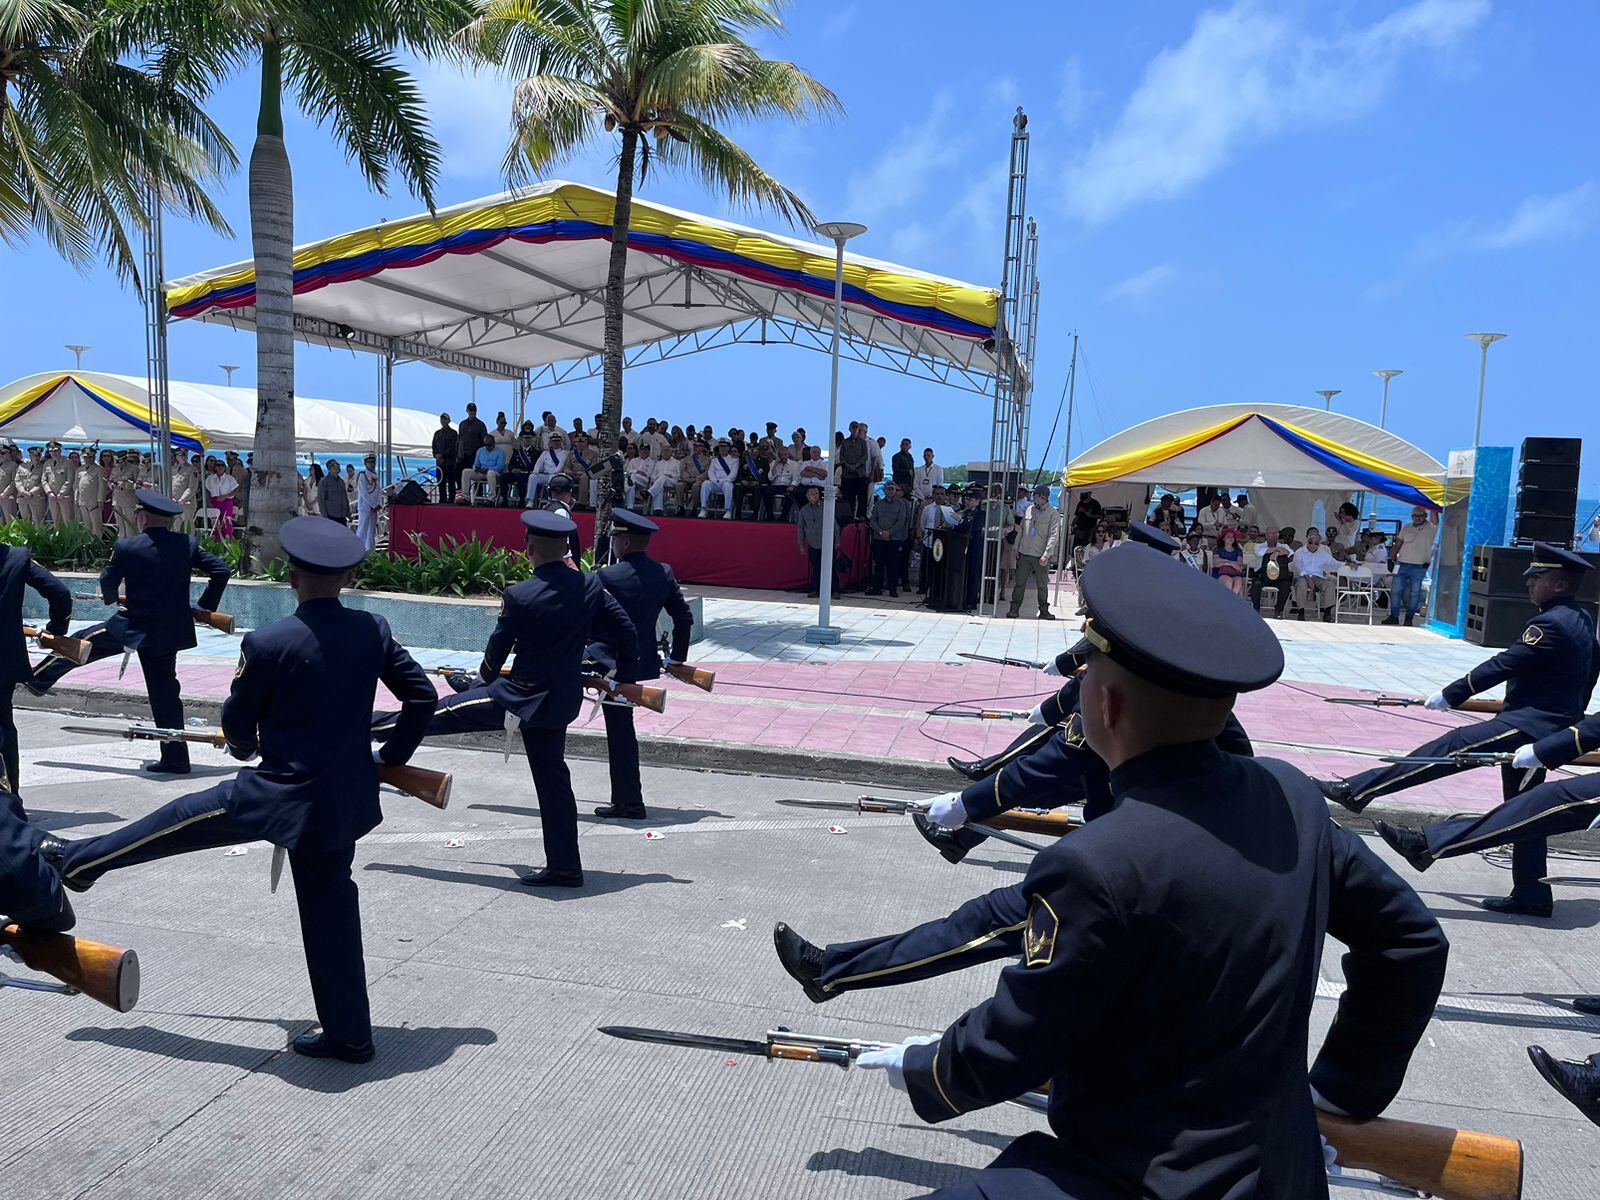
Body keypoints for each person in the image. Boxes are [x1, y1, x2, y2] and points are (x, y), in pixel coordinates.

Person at [777, 544, 1448, 1200]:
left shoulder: (1094, 865)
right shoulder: (1291, 797)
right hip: (1285, 1169)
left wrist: (928, 1067)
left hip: (1137, 1176)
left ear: (1108, 707)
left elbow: (1014, 1048)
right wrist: (1337, 1091)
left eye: (1087, 678)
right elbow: (1410, 942)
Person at [42, 517, 435, 1063]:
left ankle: (81, 864)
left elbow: (238, 728)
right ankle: (350, 1035)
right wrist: (388, 760)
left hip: (279, 794)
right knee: (331, 914)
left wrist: (245, 744)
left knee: (178, 818)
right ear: (346, 576)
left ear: (294, 577)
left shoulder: (269, 641)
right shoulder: (375, 629)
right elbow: (421, 699)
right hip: (341, 801)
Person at [1321, 543, 1598, 915]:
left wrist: (1452, 693)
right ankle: (1531, 894)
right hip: (1552, 724)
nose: (1529, 584)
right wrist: (1570, 717)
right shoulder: (1581, 619)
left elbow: (1505, 664)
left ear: (1560, 583)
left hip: (1529, 724)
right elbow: (1590, 674)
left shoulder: (1547, 624)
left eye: (1537, 578)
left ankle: (1357, 790)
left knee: (1452, 748)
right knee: (1523, 811)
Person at [381, 511, 635, 887]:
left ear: (530, 549)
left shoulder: (520, 594)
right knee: (554, 784)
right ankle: (565, 866)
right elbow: (626, 633)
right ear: (565, 549)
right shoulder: (590, 586)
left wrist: (474, 683)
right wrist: (599, 668)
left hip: (518, 699)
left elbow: (496, 653)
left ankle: (358, 730)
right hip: (558, 704)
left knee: (431, 715)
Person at [28, 489, 230, 773]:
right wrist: (204, 608)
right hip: (168, 631)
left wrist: (113, 597)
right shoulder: (187, 543)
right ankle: (176, 758)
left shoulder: (128, 546)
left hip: (134, 625)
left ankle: (35, 681)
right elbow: (221, 571)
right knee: (165, 694)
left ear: (143, 517)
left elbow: (107, 581)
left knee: (79, 643)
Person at [587, 510, 694, 820]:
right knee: (622, 730)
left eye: (616, 539)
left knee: (620, 732)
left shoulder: (606, 576)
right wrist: (677, 658)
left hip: (607, 664)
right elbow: (683, 617)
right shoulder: (663, 573)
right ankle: (627, 799)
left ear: (625, 541)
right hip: (638, 663)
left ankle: (629, 802)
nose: (615, 544)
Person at [0, 542, 71, 804]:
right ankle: (10, 798)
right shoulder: (16, 558)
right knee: (3, 724)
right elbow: (60, 592)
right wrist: (56, 631)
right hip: (5, 657)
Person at [1005, 485, 1060, 620]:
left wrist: (1047, 554)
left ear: (1042, 496)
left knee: (1042, 585)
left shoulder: (1053, 513)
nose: (1033, 497)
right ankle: (1014, 608)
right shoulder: (1029, 509)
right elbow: (1022, 531)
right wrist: (1016, 548)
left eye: (1035, 495)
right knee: (1020, 582)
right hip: (1025, 552)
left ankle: (1043, 610)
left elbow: (1053, 535)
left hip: (1040, 555)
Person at [1385, 505, 1439, 626]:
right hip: (1402, 563)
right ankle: (1394, 616)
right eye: (1415, 515)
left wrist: (1430, 503)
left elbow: (1435, 516)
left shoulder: (1430, 527)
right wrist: (1390, 558)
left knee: (1415, 593)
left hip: (1419, 566)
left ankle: (1409, 618)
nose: (1417, 518)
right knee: (1395, 591)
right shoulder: (1406, 527)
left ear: (1425, 516)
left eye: (1420, 515)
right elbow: (1398, 544)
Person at [865, 482, 911, 598]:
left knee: (893, 565)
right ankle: (877, 588)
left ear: (895, 490)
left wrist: (889, 533)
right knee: (879, 564)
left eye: (892, 489)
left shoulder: (901, 505)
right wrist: (880, 532)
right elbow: (873, 520)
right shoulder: (878, 504)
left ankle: (893, 589)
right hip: (879, 538)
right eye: (888, 489)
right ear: (884, 490)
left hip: (894, 539)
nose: (890, 491)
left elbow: (901, 521)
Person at [1292, 528, 1338, 621]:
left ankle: (1327, 613)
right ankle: (1301, 611)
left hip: (1318, 577)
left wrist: (1348, 564)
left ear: (1319, 543)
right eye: (1310, 542)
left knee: (1330, 584)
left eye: (1316, 543)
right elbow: (1298, 567)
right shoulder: (1300, 552)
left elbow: (1334, 563)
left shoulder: (1323, 552)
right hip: (1303, 577)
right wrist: (1308, 579)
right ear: (1307, 540)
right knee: (1301, 583)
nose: (1313, 545)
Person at [1251, 527, 1295, 617]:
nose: (1273, 536)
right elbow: (1261, 553)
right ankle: (1256, 609)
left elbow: (1289, 552)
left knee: (1286, 586)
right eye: (1271, 534)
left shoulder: (1284, 546)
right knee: (1255, 584)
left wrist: (1276, 553)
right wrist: (1277, 551)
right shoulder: (1258, 546)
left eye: (1276, 534)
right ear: (1266, 535)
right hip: (1262, 575)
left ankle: (1278, 609)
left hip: (1280, 576)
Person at [795, 485, 830, 598]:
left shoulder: (826, 507)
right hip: (813, 543)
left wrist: (837, 540)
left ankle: (833, 590)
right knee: (816, 567)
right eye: (813, 494)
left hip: (827, 543)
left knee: (830, 567)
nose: (815, 496)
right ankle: (815, 589)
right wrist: (801, 545)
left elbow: (833, 524)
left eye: (817, 494)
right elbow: (800, 527)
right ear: (808, 496)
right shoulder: (804, 510)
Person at [837, 426, 870, 522]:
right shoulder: (845, 442)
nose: (854, 430)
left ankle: (861, 517)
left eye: (856, 428)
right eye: (853, 428)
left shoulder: (863, 443)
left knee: (862, 497)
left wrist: (856, 465)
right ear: (850, 429)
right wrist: (848, 466)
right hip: (847, 474)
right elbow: (841, 456)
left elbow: (865, 457)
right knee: (848, 497)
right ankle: (848, 516)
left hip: (859, 474)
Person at [454, 403, 487, 496]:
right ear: (467, 411)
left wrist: (481, 457)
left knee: (477, 477)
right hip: (463, 455)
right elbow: (459, 440)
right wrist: (458, 455)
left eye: (474, 410)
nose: (472, 412)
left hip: (475, 456)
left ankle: (478, 497)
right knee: (460, 475)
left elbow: (484, 442)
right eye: (471, 410)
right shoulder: (462, 424)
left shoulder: (480, 425)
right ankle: (463, 495)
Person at [698, 440, 737, 518]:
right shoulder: (714, 460)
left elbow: (733, 475)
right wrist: (715, 480)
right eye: (720, 446)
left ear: (728, 448)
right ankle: (703, 509)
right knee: (705, 484)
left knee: (727, 486)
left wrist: (722, 481)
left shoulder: (734, 460)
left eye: (724, 446)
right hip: (715, 482)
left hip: (726, 482)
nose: (722, 448)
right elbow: (710, 472)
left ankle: (728, 510)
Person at [462, 434, 504, 505]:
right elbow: (476, 464)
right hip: (481, 472)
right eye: (485, 444)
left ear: (494, 443)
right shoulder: (480, 451)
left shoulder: (500, 452)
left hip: (495, 473)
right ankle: (466, 497)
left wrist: (487, 470)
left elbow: (500, 467)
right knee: (466, 471)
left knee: (490, 472)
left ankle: (491, 499)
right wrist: (476, 468)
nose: (487, 446)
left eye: (489, 445)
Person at [75, 445, 107, 536]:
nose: (88, 459)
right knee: (87, 525)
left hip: (94, 501)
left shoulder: (99, 470)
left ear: (94, 457)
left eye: (90, 456)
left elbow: (102, 486)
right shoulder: (80, 470)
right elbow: (76, 486)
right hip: (82, 501)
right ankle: (88, 544)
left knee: (96, 525)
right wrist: (76, 498)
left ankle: (97, 545)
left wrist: (100, 500)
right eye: (86, 456)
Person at [202, 459, 239, 537]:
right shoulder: (210, 478)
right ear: (215, 467)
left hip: (227, 502)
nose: (220, 467)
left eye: (222, 465)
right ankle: (217, 543)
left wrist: (226, 496)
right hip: (214, 502)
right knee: (215, 523)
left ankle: (227, 542)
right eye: (218, 465)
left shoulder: (230, 478)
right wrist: (209, 502)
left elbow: (236, 490)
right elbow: (207, 491)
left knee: (227, 523)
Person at [42, 442, 75, 527]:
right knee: (56, 521)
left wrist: (62, 493)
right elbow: (44, 480)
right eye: (51, 451)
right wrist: (49, 492)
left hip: (64, 497)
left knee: (67, 520)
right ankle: (57, 538)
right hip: (52, 496)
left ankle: (69, 539)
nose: (54, 453)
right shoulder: (47, 463)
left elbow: (70, 479)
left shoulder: (68, 463)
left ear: (60, 450)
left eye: (56, 450)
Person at [505, 429, 540, 507]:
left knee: (520, 478)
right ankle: (504, 499)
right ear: (522, 439)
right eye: (526, 438)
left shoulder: (536, 452)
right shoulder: (517, 451)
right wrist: (513, 469)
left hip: (527, 474)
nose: (528, 440)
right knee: (503, 477)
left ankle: (522, 500)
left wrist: (523, 471)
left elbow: (535, 465)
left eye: (529, 438)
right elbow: (510, 464)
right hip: (516, 473)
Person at [432, 412, 459, 504]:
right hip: (439, 463)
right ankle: (442, 499)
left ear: (449, 421)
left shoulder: (454, 433)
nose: (443, 421)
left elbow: (453, 447)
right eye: (442, 419)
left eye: (445, 419)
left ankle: (451, 500)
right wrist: (436, 455)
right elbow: (434, 446)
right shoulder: (437, 433)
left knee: (451, 482)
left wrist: (443, 455)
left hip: (450, 462)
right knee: (440, 482)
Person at [15, 446, 47, 525]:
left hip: (36, 498)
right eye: (35, 455)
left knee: (38, 520)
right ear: (30, 456)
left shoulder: (43, 468)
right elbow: (17, 481)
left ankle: (38, 537)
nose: (37, 457)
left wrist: (32, 492)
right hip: (23, 497)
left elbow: (43, 482)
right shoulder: (22, 467)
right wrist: (23, 492)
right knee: (25, 521)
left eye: (38, 455)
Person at [1211, 527, 1246, 596]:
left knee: (1239, 580)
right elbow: (1215, 563)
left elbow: (1239, 563)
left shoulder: (1238, 551)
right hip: (1219, 573)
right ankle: (1229, 600)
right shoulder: (1217, 549)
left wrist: (1224, 562)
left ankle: (1232, 599)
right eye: (1228, 536)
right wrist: (1231, 563)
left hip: (1234, 573)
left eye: (1232, 537)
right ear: (1223, 538)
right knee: (1228, 580)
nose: (1231, 538)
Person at [319, 459, 350, 525]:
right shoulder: (324, 482)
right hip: (331, 516)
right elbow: (321, 501)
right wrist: (325, 518)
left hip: (342, 516)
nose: (338, 467)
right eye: (335, 465)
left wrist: (348, 513)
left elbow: (345, 498)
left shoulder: (341, 482)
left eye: (338, 464)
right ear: (329, 468)